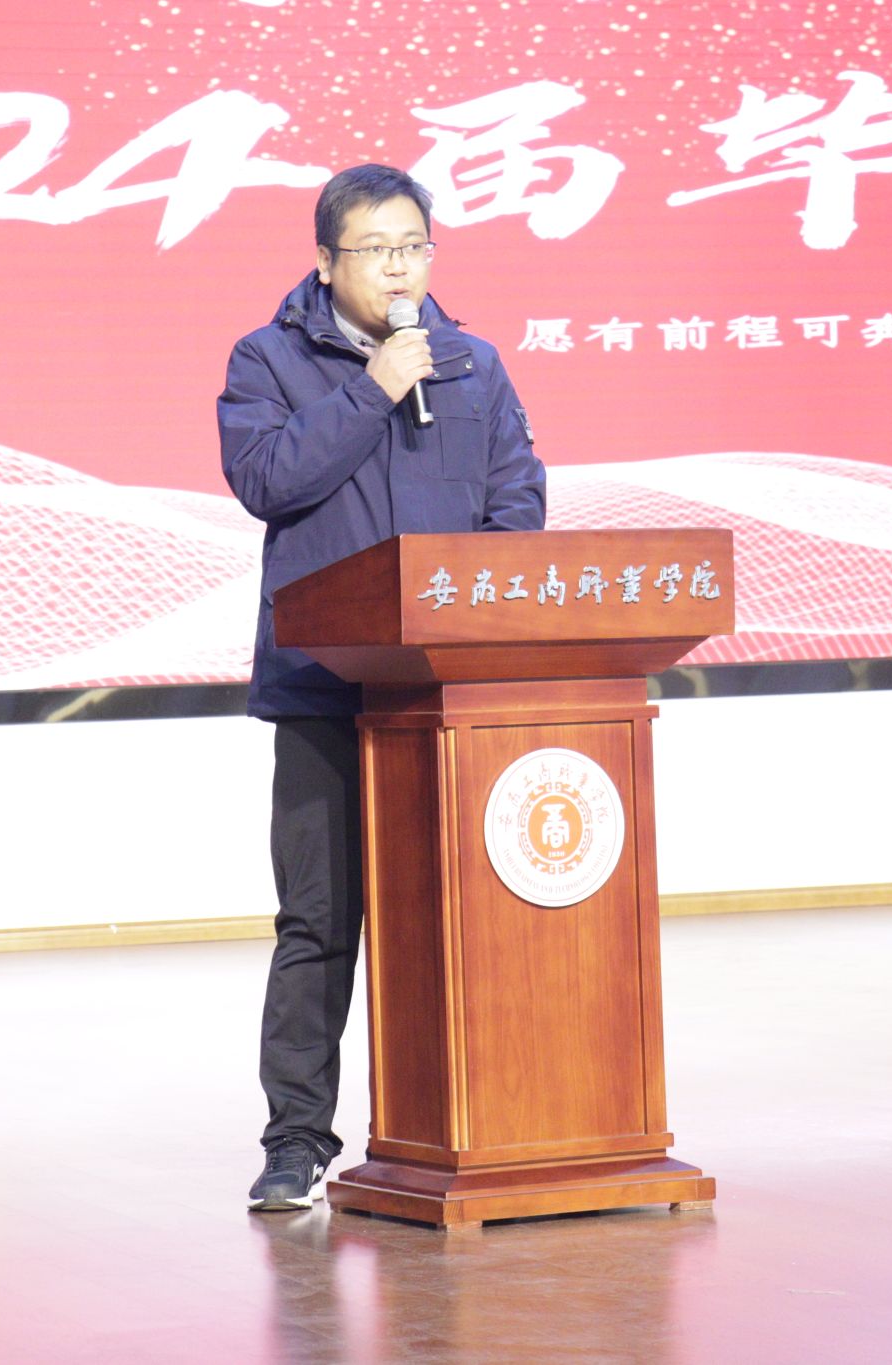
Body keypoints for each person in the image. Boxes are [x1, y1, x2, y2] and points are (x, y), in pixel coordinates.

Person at [218, 165, 547, 1211]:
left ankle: (465, 1123)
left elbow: (516, 500)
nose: (400, 268)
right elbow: (266, 481)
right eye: (376, 250)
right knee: (319, 923)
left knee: (459, 916)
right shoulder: (267, 359)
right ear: (326, 262)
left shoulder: (474, 365)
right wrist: (372, 390)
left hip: (444, 701)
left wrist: (481, 629)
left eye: (414, 246)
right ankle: (294, 1141)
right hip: (323, 688)